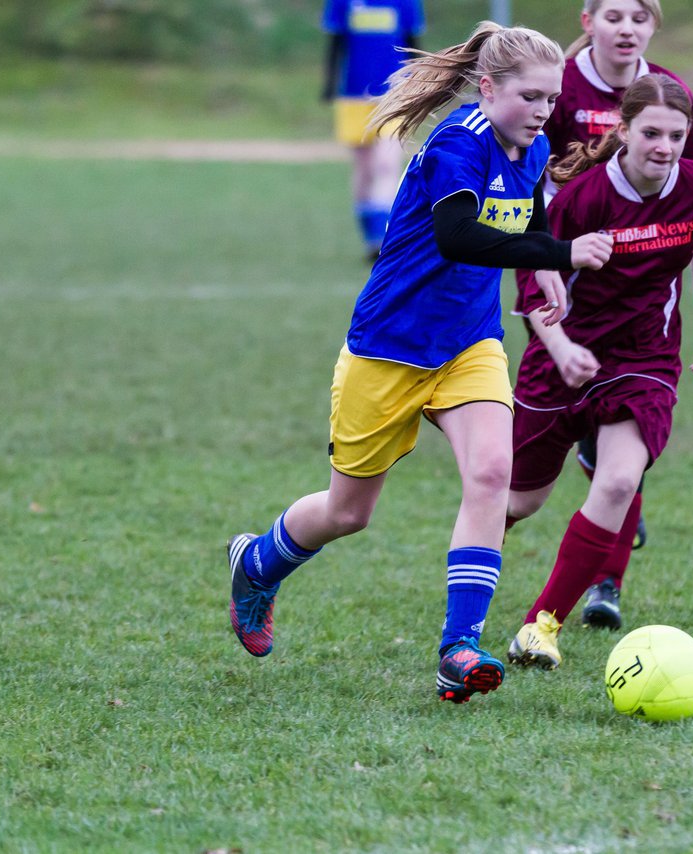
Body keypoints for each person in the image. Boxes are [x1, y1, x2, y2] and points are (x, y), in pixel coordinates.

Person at [228, 22, 615, 703]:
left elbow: (527, 214)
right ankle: (257, 562)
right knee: (349, 513)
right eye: (529, 97)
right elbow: (459, 236)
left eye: (550, 100)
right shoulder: (455, 146)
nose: (542, 112)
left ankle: (459, 649)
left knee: (493, 472)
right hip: (389, 348)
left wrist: (546, 260)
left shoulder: (531, 142)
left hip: (469, 343)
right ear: (488, 87)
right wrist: (563, 257)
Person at [511, 0, 693, 631]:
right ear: (587, 20)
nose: (627, 27)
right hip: (562, 291)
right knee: (517, 498)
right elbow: (525, 176)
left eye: (640, 15)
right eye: (613, 14)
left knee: (617, 473)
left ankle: (582, 597)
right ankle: (469, 588)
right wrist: (544, 256)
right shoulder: (561, 90)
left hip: (642, 343)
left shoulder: (674, 108)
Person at [321, 0, 425, 262]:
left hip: (396, 94)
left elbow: (414, 44)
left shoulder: (407, 2)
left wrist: (424, 85)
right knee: (365, 169)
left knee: (387, 164)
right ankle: (371, 237)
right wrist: (329, 83)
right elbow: (335, 42)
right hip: (354, 96)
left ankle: (383, 238)